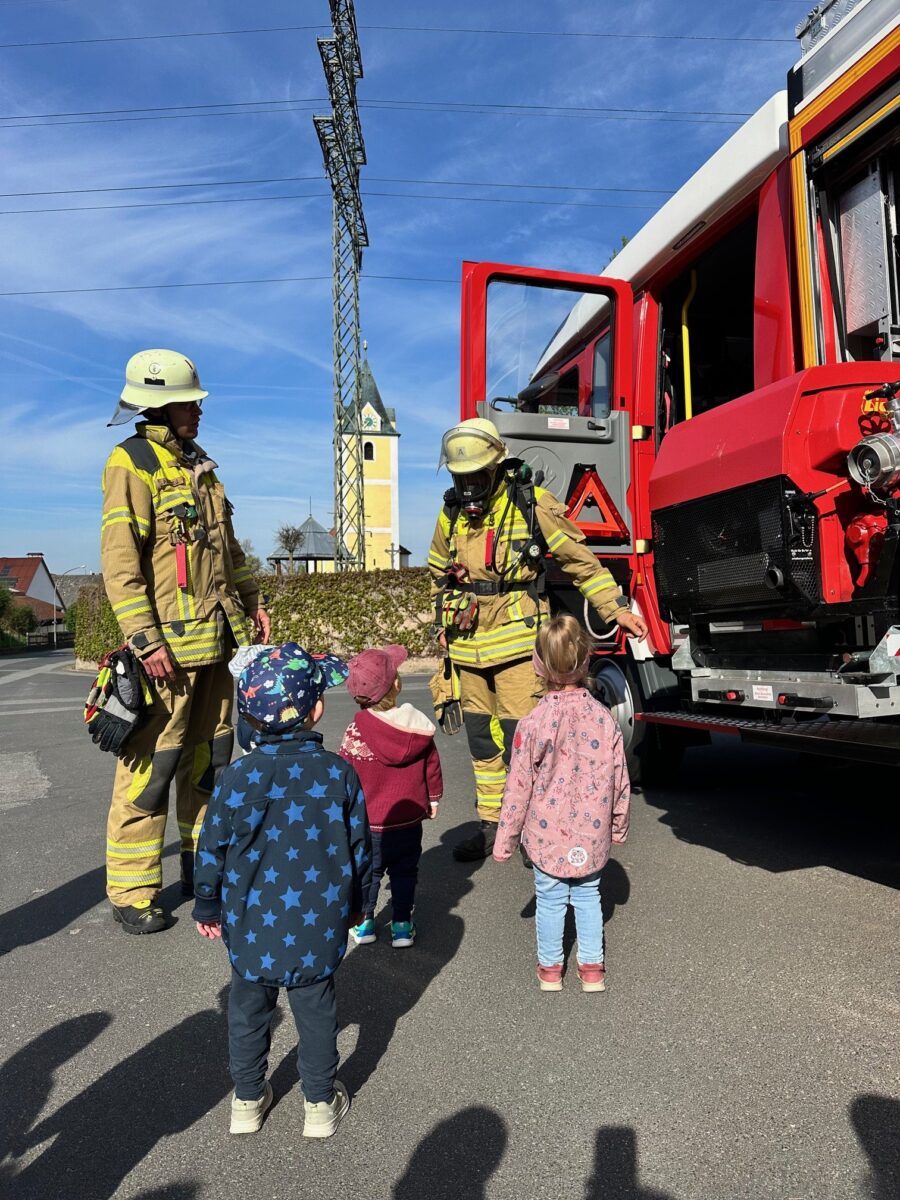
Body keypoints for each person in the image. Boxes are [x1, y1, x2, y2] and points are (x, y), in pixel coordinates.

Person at [101, 348, 270, 934]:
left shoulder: (202, 466)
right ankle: (131, 889)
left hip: (216, 648)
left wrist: (255, 603)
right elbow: (121, 565)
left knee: (211, 762)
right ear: (156, 406)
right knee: (152, 767)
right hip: (166, 656)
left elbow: (229, 551)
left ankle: (204, 871)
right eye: (187, 403)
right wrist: (145, 642)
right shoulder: (131, 463)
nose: (197, 410)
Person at [427, 417, 645, 862]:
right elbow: (436, 575)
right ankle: (493, 823)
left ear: (498, 466)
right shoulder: (450, 513)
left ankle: (534, 826)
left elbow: (580, 562)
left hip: (515, 649)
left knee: (524, 740)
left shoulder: (531, 504)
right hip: (467, 650)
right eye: (461, 478)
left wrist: (615, 610)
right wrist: (442, 636)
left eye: (476, 477)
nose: (468, 488)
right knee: (482, 742)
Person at [192, 643, 371, 1139]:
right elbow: (361, 851)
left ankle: (247, 1099)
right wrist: (361, 906)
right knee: (317, 1013)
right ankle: (318, 1103)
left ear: (248, 712)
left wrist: (207, 901)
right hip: (320, 921)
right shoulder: (339, 774)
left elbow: (211, 849)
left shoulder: (236, 778)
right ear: (315, 708)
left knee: (248, 1011)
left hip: (251, 922)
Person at [492, 615, 630, 992]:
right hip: (591, 831)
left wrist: (505, 840)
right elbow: (620, 778)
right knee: (588, 896)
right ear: (586, 661)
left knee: (550, 899)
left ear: (539, 666)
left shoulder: (533, 721)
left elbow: (517, 788)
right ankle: (592, 970)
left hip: (545, 833)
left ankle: (551, 970)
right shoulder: (603, 719)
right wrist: (618, 825)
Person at [339, 644, 442, 948]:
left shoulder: (356, 730)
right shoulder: (417, 728)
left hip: (369, 820)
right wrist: (432, 798)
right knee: (405, 871)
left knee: (369, 873)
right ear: (397, 684)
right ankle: (401, 925)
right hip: (408, 817)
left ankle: (366, 922)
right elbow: (431, 766)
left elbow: (346, 774)